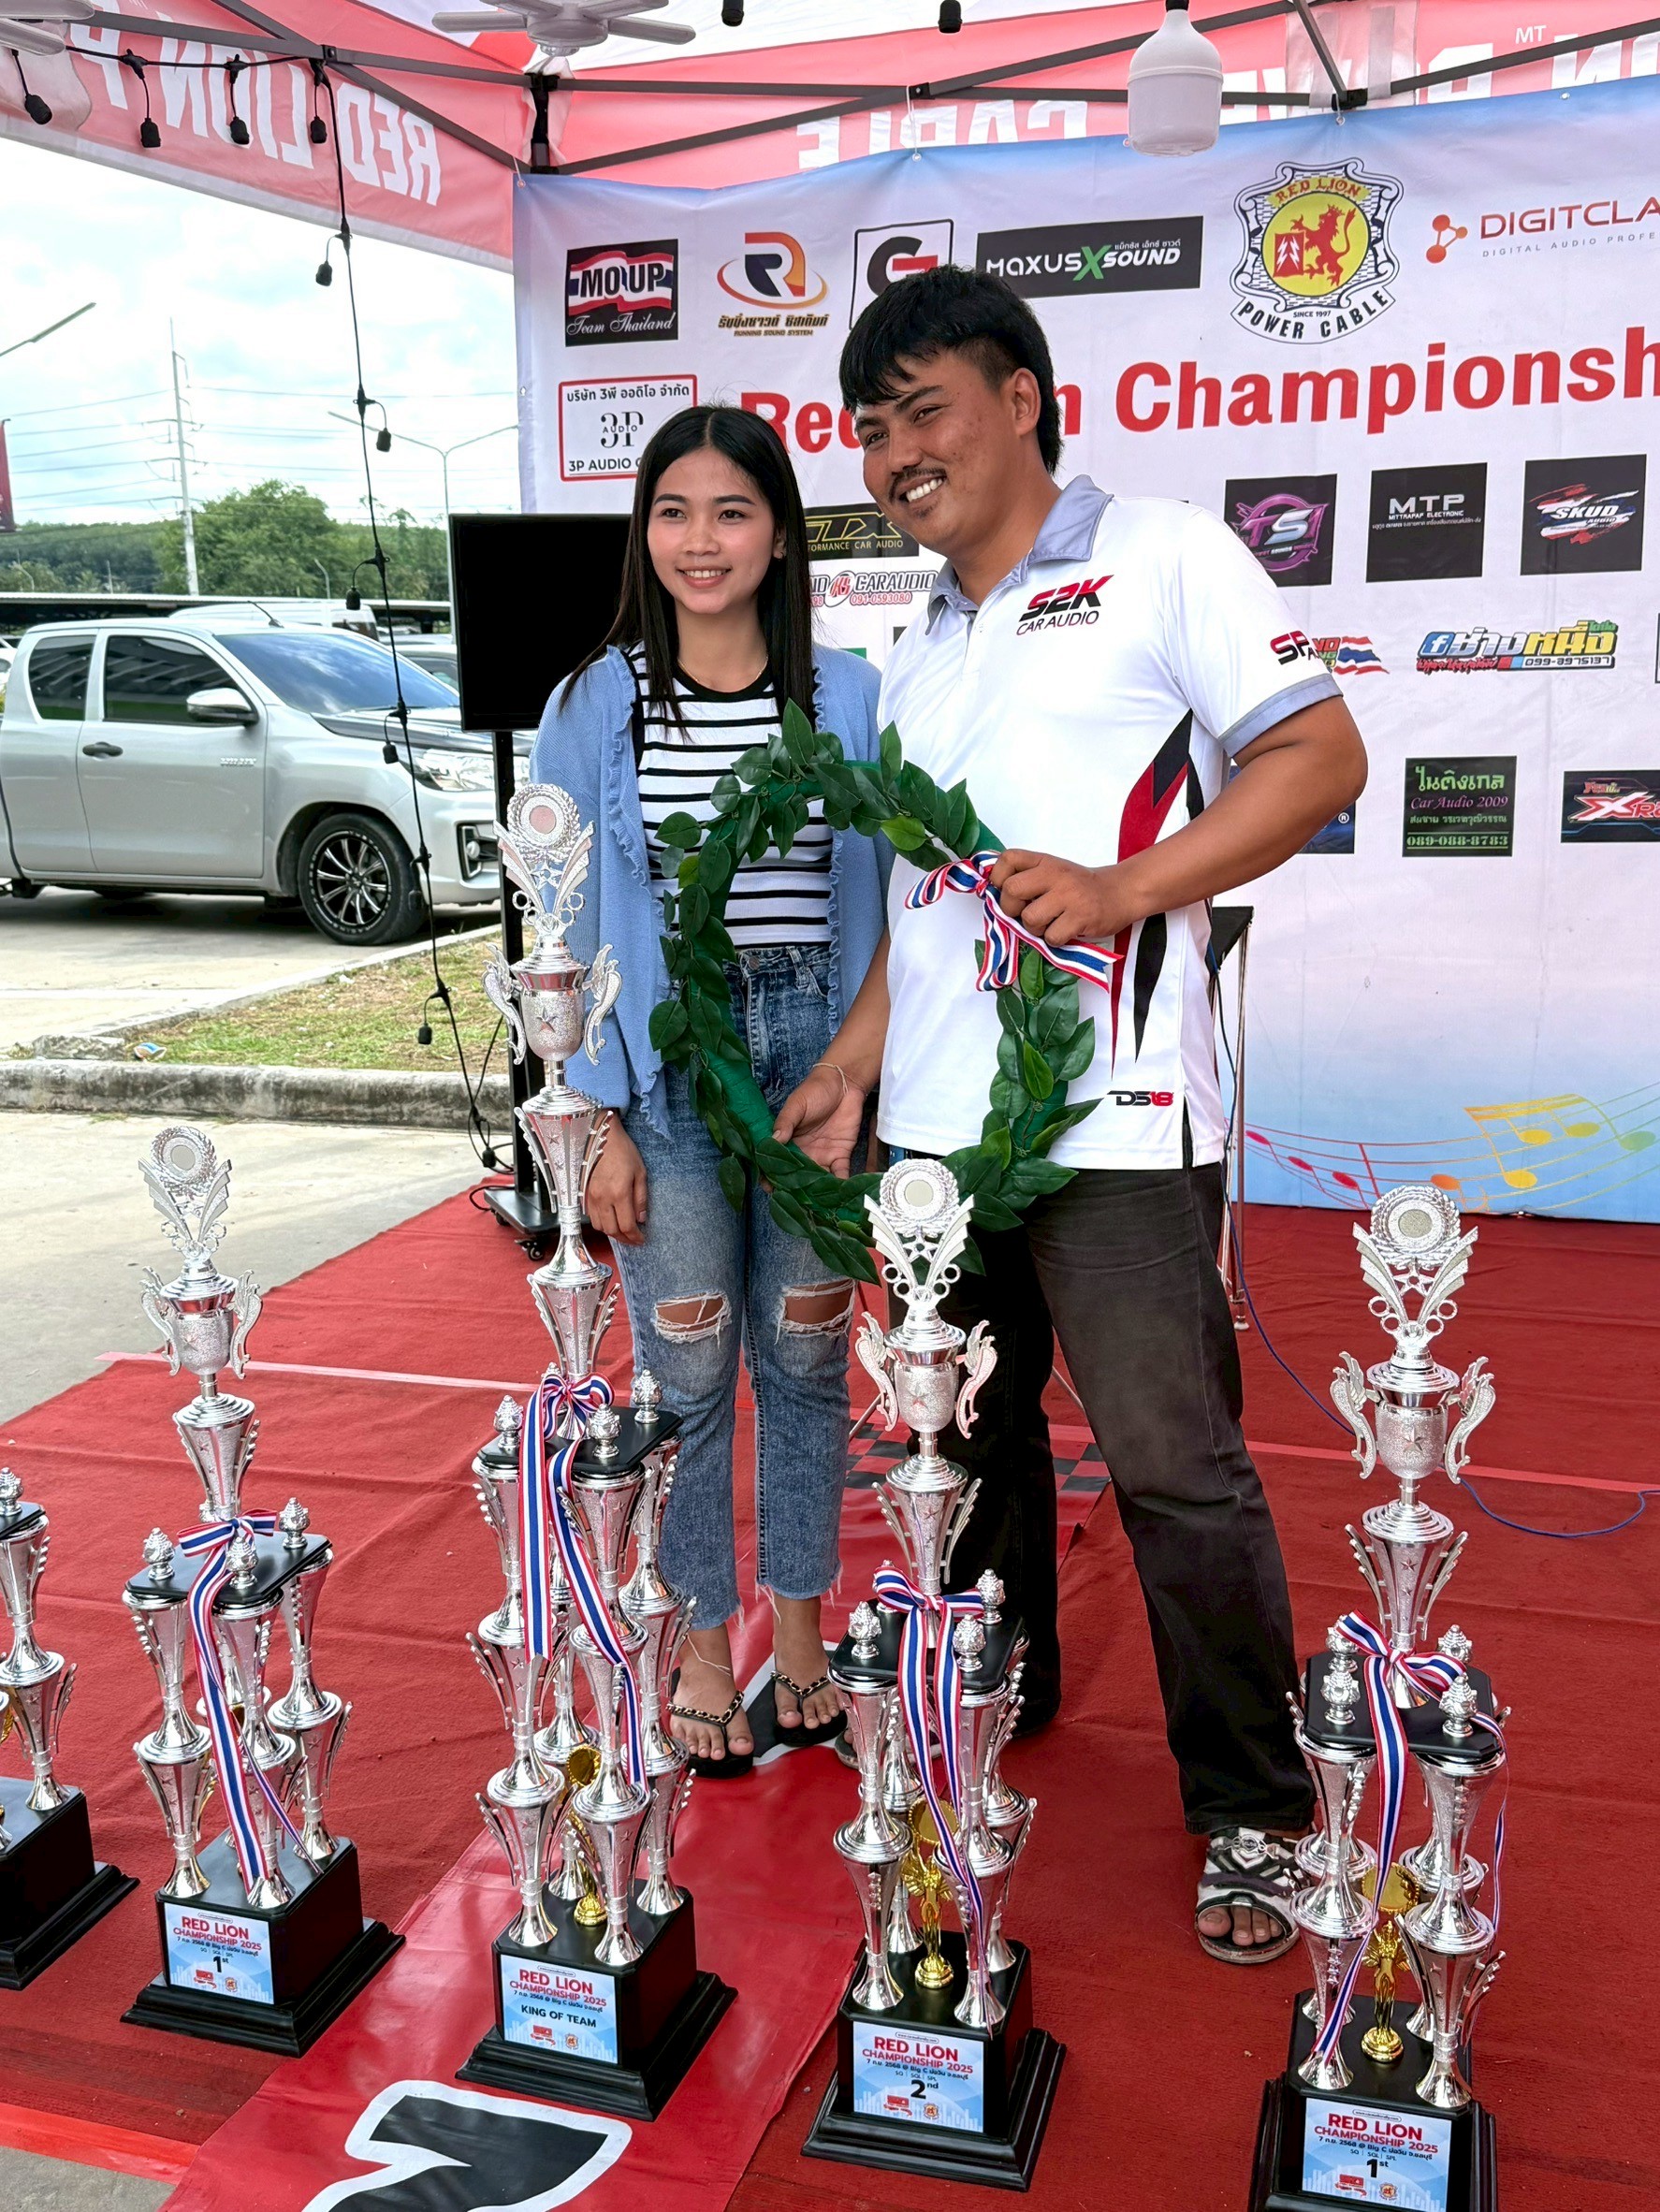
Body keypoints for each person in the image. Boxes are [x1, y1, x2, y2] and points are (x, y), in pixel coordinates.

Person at [775, 268, 1367, 1959]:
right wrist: (857, 1064)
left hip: (1115, 1117)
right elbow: (923, 912)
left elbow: (1318, 760)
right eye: (869, 427)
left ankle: (1252, 1806)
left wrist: (1120, 889)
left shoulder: (1164, 554)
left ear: (1023, 399)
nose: (894, 452)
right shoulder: (916, 644)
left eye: (924, 409)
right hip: (937, 1149)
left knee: (1175, 1471)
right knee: (968, 1446)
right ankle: (1003, 1693)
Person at [531, 404, 889, 1775]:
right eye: (673, 511)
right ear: (645, 534)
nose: (701, 540)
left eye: (732, 511)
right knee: (685, 1371)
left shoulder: (849, 697)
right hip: (660, 1067)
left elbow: (898, 907)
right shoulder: (593, 702)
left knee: (805, 1358)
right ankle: (695, 1645)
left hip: (816, 1066)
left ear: (781, 534)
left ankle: (798, 1636)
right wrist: (595, 1119)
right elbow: (559, 925)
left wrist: (857, 1075)